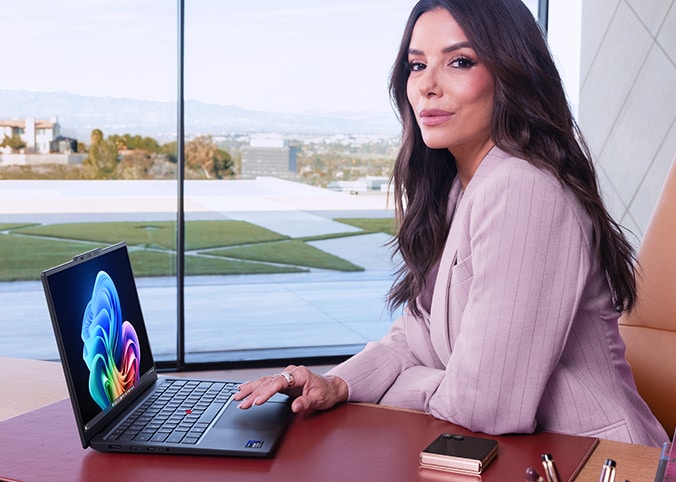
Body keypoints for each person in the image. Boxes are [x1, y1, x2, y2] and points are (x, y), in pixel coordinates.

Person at [233, 0, 668, 447]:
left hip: (594, 462)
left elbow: (486, 405)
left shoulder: (523, 189)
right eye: (417, 65)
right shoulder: (460, 188)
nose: (427, 86)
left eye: (460, 61)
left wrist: (401, 387)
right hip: (521, 454)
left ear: (511, 73)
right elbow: (417, 331)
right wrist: (337, 385)